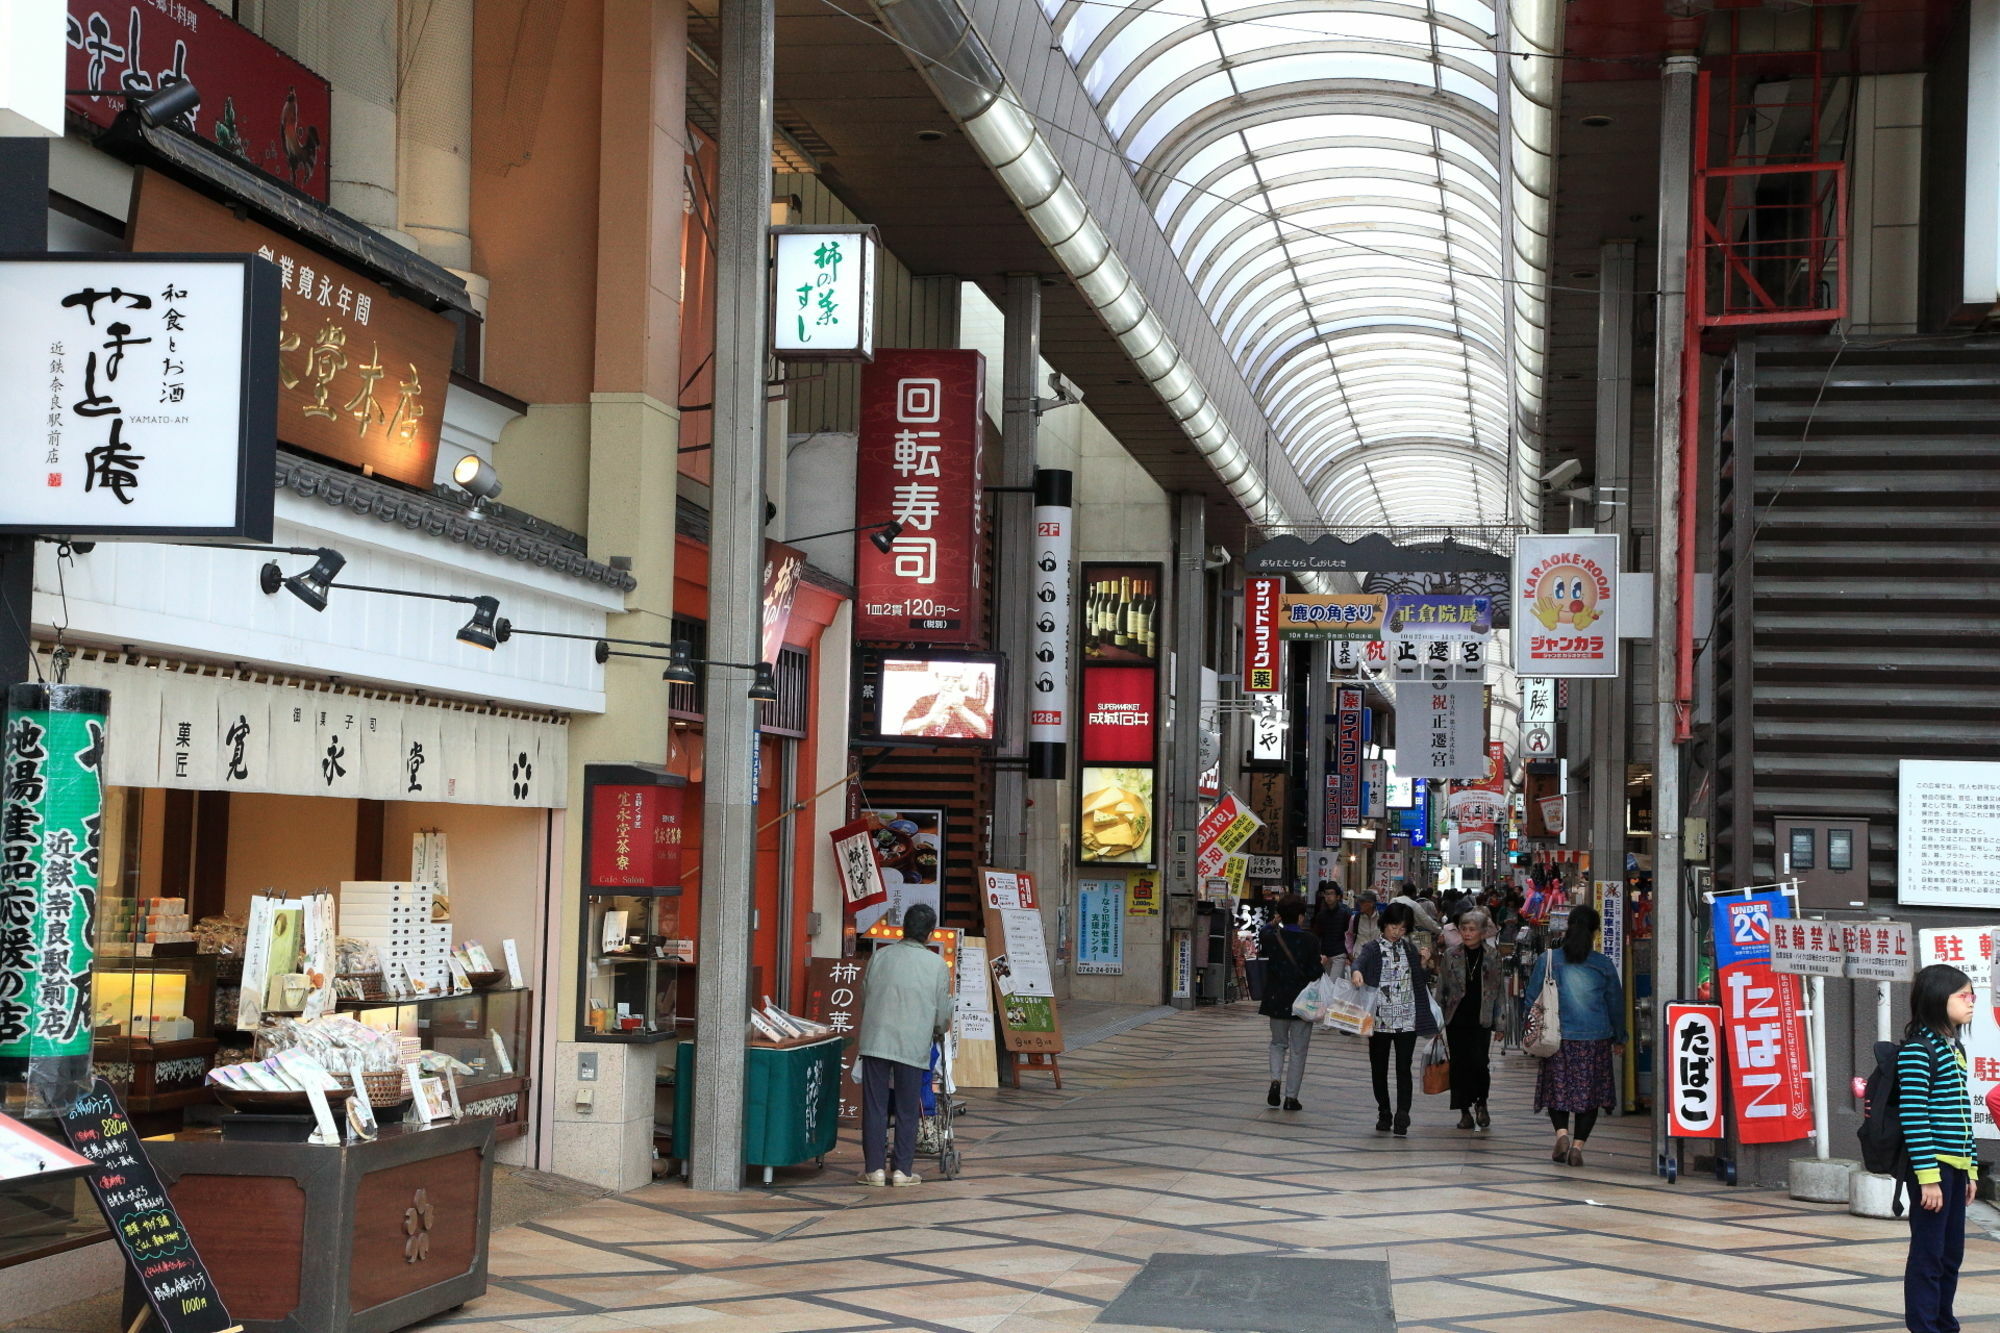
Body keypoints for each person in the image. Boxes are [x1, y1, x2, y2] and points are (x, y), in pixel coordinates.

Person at [1900, 963, 1977, 1333]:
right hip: (1932, 1169)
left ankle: (1944, 1323)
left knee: (1951, 1255)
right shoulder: (1918, 1050)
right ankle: (1924, 1326)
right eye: (1963, 995)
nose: (1971, 1001)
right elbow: (1914, 1118)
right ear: (1937, 998)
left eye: (1971, 993)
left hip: (1955, 1168)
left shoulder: (1954, 1048)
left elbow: (1963, 1113)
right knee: (1928, 1256)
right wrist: (1929, 1178)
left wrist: (1971, 1169)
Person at [855, 903, 954, 1187]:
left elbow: (865, 997)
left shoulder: (880, 956)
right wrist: (936, 1030)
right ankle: (902, 1171)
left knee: (874, 1106)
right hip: (912, 1045)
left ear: (903, 928)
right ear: (931, 933)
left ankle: (874, 1169)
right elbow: (941, 1013)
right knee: (907, 1107)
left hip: (876, 1040)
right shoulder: (936, 964)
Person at [1527, 904, 1625, 1167]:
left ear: (1568, 927)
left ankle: (1562, 1134)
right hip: (1595, 1039)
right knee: (1589, 1095)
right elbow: (1615, 1003)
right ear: (1595, 932)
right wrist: (1620, 1037)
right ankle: (1578, 1146)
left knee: (1558, 1091)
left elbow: (1531, 999)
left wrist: (1532, 1031)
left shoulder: (1548, 960)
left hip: (1557, 1038)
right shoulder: (1602, 965)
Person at [1352, 901, 1437, 1137]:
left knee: (1403, 1068)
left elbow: (1420, 978)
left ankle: (1402, 1113)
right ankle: (1384, 1111)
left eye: (1402, 929)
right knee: (1378, 1069)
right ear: (1384, 924)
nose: (1397, 933)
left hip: (1406, 1019)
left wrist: (1423, 963)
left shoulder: (1409, 949)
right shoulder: (1372, 947)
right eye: (1393, 927)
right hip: (1378, 1020)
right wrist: (1357, 972)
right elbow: (1358, 962)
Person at [1258, 893, 1325, 1111]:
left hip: (1276, 999)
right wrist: (1322, 962)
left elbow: (1264, 932)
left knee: (1277, 1044)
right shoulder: (1311, 940)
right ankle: (1291, 1097)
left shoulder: (1272, 936)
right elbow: (1315, 972)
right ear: (1300, 916)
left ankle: (1275, 1080)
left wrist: (1274, 922)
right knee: (1298, 1050)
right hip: (1302, 1003)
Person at [1439, 908, 1503, 1130]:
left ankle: (1482, 1102)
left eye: (1472, 929)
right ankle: (1464, 1110)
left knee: (1480, 1062)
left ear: (1483, 932)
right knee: (1459, 1065)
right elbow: (1442, 989)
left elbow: (1499, 991)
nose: (1467, 934)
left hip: (1481, 1018)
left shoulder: (1493, 956)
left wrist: (1501, 1022)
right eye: (1464, 929)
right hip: (1456, 1018)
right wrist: (1438, 1018)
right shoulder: (1451, 955)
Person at [1310, 884, 1349, 971]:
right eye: (1326, 894)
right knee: (1326, 982)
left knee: (1334, 982)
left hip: (1339, 953)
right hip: (1325, 954)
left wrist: (1348, 955)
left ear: (1338, 897)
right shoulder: (1321, 915)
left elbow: (1348, 935)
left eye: (1331, 893)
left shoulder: (1345, 913)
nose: (1328, 896)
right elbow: (1317, 935)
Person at [1345, 890, 1382, 959]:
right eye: (1359, 901)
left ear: (1371, 903)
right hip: (1359, 957)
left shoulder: (1382, 918)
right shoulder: (1355, 918)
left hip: (1377, 959)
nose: (1359, 903)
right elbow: (1349, 935)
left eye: (1362, 902)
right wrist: (1350, 953)